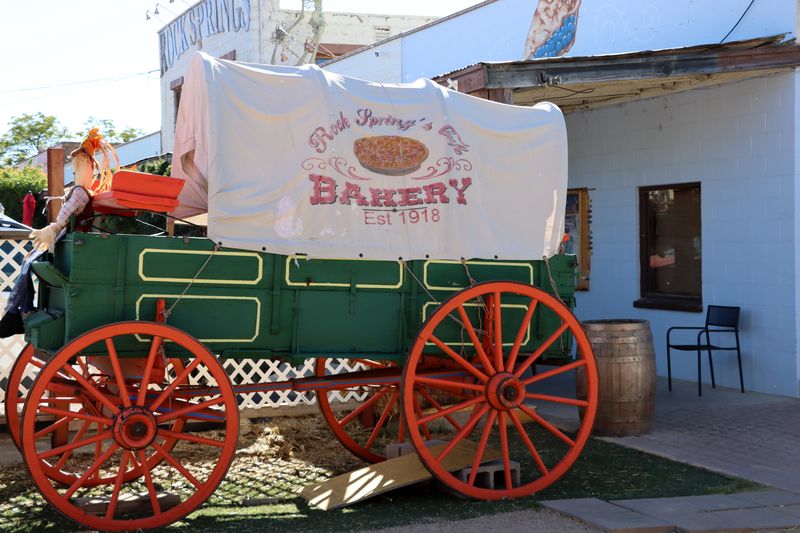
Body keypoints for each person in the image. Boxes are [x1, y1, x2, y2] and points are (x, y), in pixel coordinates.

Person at [0, 129, 115, 338]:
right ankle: (18, 310)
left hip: (75, 245)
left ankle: (19, 311)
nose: (78, 172)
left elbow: (63, 218)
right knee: (30, 260)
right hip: (70, 244)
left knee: (30, 261)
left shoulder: (81, 192)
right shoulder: (80, 191)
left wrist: (51, 229)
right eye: (76, 169)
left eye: (81, 167)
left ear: (90, 168)